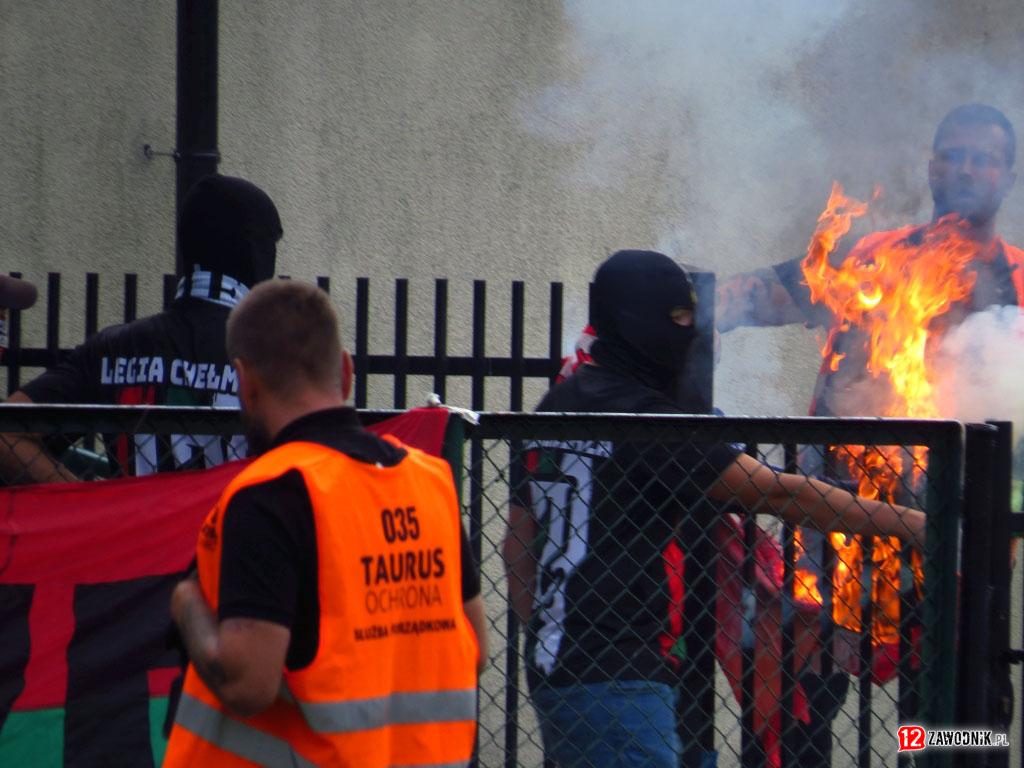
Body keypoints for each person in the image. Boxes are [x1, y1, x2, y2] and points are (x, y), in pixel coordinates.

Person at [502, 249, 925, 768]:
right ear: (638, 322)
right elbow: (781, 494)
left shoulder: (559, 406)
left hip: (556, 669)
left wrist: (547, 638)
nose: (690, 335)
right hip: (622, 675)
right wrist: (918, 525)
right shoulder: (645, 420)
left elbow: (516, 545)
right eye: (678, 320)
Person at [162, 280, 488, 767]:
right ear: (347, 370)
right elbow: (474, 650)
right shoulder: (430, 480)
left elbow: (248, 683)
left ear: (244, 382)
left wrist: (186, 604)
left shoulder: (271, 495)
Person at [716, 103, 1022, 417]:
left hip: (969, 464)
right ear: (932, 171)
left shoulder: (1020, 280)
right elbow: (751, 297)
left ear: (1009, 181)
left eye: (984, 160)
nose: (966, 170)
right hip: (840, 462)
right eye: (952, 157)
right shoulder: (872, 257)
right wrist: (686, 307)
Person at [0, 174, 283, 483]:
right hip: (233, 526)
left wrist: (88, 504)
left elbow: (7, 431)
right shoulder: (274, 359)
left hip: (141, 528)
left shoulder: (115, 348)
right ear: (255, 251)